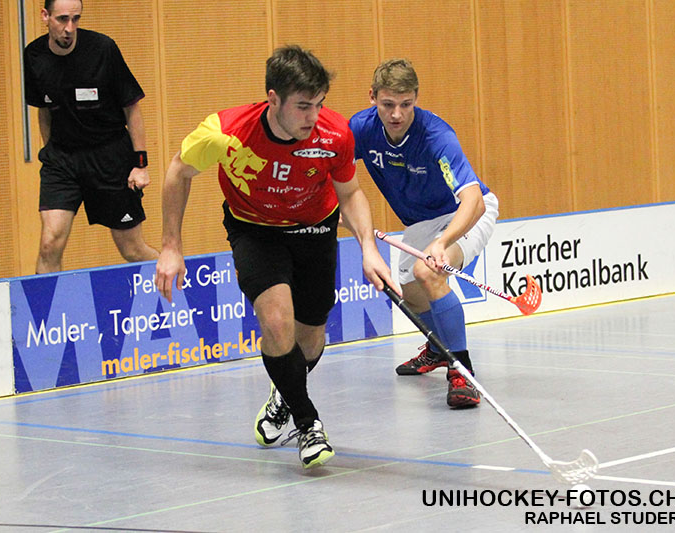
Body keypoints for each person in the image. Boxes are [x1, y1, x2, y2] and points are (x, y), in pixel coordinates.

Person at [154, 45, 397, 468]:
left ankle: (284, 390)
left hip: (315, 228)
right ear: (273, 99)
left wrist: (368, 249)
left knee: (310, 337)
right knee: (277, 323)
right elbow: (178, 171)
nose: (313, 116)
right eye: (303, 106)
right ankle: (308, 423)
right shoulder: (226, 132)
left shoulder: (335, 134)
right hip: (255, 229)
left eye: (319, 104)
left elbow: (350, 193)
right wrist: (171, 245)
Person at [349, 59, 499, 409]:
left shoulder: (435, 136)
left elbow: (473, 201)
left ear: (416, 98)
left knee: (428, 272)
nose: (397, 114)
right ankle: (437, 348)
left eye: (406, 104)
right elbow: (332, 173)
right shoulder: (361, 128)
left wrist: (443, 242)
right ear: (372, 97)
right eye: (388, 104)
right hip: (420, 224)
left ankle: (463, 372)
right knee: (408, 292)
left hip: (463, 214)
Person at [23, 0, 158, 274]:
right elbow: (44, 110)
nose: (69, 28)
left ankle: (181, 291)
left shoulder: (103, 49)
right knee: (49, 243)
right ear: (45, 16)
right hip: (62, 160)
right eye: (62, 19)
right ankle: (46, 304)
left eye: (76, 19)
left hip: (110, 156)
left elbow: (131, 108)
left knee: (132, 249)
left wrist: (140, 164)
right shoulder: (34, 56)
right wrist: (50, 152)